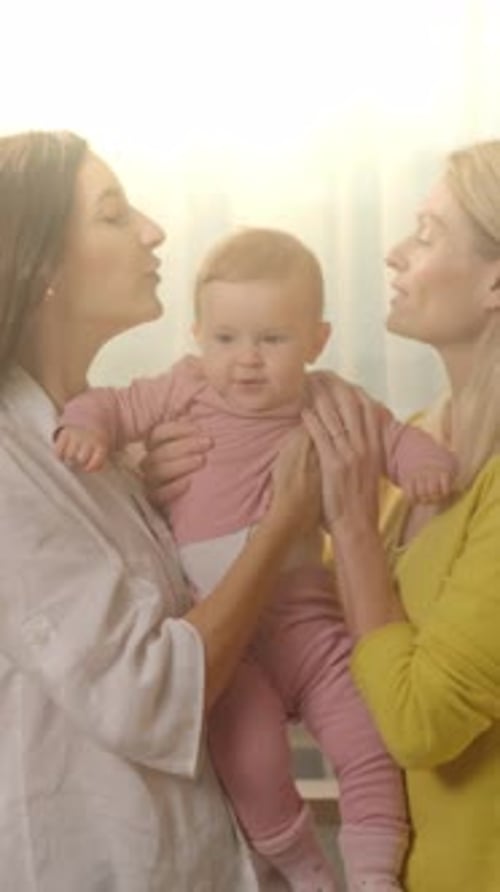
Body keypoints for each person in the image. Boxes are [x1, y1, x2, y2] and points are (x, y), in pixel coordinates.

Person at [55, 228, 457, 892]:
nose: (246, 360)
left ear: (317, 341)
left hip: (309, 625)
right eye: (226, 339)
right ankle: (306, 874)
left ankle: (376, 875)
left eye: (272, 340)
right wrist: (89, 428)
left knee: (367, 744)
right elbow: (111, 406)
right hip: (225, 640)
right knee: (252, 759)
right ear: (197, 335)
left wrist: (426, 465)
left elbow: (394, 440)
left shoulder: (331, 398)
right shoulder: (182, 389)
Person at [0, 129, 328, 892]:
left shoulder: (97, 453)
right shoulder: (10, 467)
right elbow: (150, 691)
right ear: (42, 261)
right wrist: (279, 525)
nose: (154, 230)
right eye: (114, 215)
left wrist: (144, 500)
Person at [293, 140, 500, 892]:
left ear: (495, 282)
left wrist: (348, 526)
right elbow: (317, 632)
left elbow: (421, 722)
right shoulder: (415, 448)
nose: (393, 253)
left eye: (427, 233)